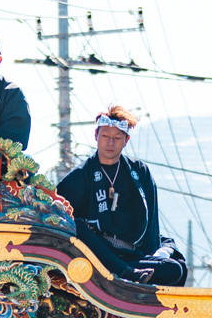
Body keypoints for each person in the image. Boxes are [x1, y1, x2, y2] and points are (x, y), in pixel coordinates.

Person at [56, 107, 188, 285]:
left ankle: (131, 272)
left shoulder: (139, 172)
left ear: (126, 140)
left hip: (133, 256)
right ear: (96, 135)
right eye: (105, 136)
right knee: (75, 225)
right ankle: (124, 272)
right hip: (98, 258)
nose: (110, 143)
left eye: (117, 137)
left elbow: (151, 224)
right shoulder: (80, 176)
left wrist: (153, 258)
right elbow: (58, 216)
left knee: (175, 268)